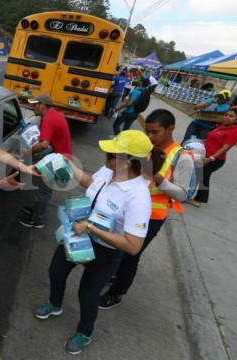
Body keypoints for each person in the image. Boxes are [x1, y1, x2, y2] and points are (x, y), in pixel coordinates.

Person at [34, 130, 158, 355]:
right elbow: (91, 183)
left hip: (105, 253)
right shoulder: (109, 170)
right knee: (56, 271)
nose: (105, 155)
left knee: (88, 295)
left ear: (127, 162)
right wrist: (69, 165)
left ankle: (85, 332)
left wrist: (92, 228)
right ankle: (54, 304)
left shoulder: (138, 197)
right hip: (77, 234)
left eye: (111, 154)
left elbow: (133, 246)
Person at [99, 109, 194, 309]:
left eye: (155, 132)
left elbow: (184, 194)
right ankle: (114, 275)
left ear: (171, 129)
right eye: (147, 131)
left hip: (151, 217)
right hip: (127, 209)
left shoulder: (183, 158)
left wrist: (157, 177)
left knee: (131, 255)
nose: (150, 136)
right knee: (118, 249)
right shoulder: (146, 148)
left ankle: (117, 293)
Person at [18, 93, 72, 229]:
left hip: (58, 161)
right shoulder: (55, 115)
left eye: (35, 104)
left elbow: (43, 144)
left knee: (44, 191)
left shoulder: (48, 119)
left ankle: (38, 220)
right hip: (59, 156)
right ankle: (37, 212)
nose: (32, 107)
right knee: (43, 190)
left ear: (42, 105)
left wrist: (27, 152)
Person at [192, 108, 237, 206]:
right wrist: (198, 141)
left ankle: (186, 196)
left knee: (197, 176)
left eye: (231, 116)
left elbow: (225, 148)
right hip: (206, 155)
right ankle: (199, 199)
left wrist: (211, 159)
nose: (227, 117)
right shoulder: (222, 126)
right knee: (204, 178)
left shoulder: (235, 132)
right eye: (226, 115)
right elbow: (211, 139)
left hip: (215, 160)